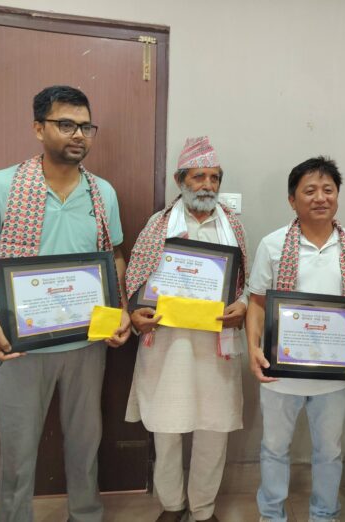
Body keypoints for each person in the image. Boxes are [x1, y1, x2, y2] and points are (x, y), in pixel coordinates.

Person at [0, 85, 131, 522]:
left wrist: (121, 310)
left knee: (85, 442)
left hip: (87, 342)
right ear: (38, 128)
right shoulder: (0, 187)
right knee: (18, 450)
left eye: (86, 127)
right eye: (66, 124)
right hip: (21, 345)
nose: (79, 135)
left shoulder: (102, 193)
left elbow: (114, 256)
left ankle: (85, 515)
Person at [124, 136, 248, 522]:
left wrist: (243, 306)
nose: (207, 185)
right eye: (198, 177)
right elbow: (136, 282)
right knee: (166, 427)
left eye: (214, 177)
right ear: (180, 181)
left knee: (213, 429)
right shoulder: (157, 226)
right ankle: (172, 505)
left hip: (215, 343)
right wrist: (136, 312)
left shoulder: (233, 227)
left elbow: (246, 284)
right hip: (168, 343)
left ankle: (203, 510)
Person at [246, 156, 345, 522]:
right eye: (310, 190)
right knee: (274, 448)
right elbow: (256, 303)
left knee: (329, 452)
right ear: (292, 199)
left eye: (328, 190)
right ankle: (272, 515)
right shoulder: (272, 245)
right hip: (279, 374)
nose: (321, 197)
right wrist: (253, 349)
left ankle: (324, 515)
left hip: (333, 378)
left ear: (337, 196)